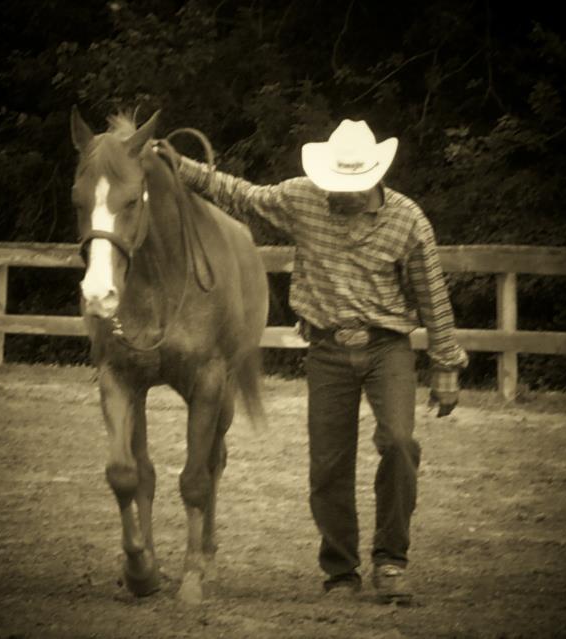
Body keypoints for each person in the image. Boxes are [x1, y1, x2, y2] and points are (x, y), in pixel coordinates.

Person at [156, 118, 468, 605]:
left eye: (349, 185)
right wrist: (181, 166)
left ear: (372, 177)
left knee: (401, 443)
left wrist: (446, 365)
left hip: (387, 345)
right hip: (326, 348)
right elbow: (240, 194)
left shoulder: (408, 221)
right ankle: (341, 572)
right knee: (328, 465)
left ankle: (390, 560)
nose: (338, 194)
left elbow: (432, 295)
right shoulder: (303, 198)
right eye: (334, 184)